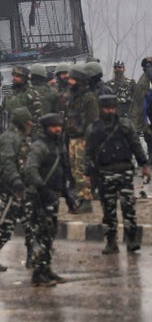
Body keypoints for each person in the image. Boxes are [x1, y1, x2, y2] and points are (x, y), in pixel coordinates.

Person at [85, 95, 150, 254]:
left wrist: (144, 165)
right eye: (107, 108)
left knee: (128, 208)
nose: (110, 111)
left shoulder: (125, 125)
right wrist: (88, 174)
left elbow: (136, 145)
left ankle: (132, 241)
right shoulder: (93, 129)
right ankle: (111, 242)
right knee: (108, 210)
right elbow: (89, 153)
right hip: (105, 173)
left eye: (113, 108)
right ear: (101, 108)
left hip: (125, 171)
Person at [0, 107, 33, 272]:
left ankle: (33, 257)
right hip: (12, 190)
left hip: (23, 188)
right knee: (5, 225)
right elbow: (8, 162)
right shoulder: (9, 138)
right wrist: (16, 181)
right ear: (23, 123)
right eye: (28, 122)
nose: (31, 124)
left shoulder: (20, 137)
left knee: (32, 223)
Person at [24, 113, 71, 287]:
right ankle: (38, 274)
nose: (57, 129)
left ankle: (46, 269)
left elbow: (62, 170)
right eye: (53, 126)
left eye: (59, 126)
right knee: (41, 234)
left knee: (50, 233)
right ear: (45, 128)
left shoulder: (57, 145)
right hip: (39, 197)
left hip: (53, 196)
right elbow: (30, 171)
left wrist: (67, 195)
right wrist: (43, 189)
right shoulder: (39, 146)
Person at [64, 64, 98, 213]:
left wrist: (88, 139)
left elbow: (92, 120)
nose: (69, 81)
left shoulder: (89, 97)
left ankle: (86, 200)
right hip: (72, 138)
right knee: (74, 170)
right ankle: (81, 197)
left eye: (72, 79)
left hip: (83, 139)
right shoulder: (72, 96)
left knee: (82, 170)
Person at [26, 64, 60, 139]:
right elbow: (57, 112)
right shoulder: (53, 92)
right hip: (49, 131)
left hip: (31, 133)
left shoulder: (26, 92)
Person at [129, 57, 152, 160]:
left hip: (146, 114)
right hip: (146, 114)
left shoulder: (144, 79)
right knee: (148, 137)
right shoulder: (144, 79)